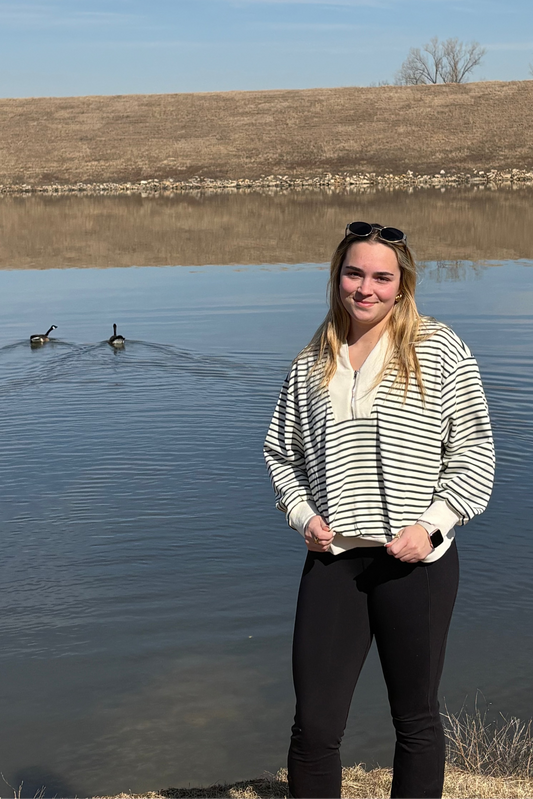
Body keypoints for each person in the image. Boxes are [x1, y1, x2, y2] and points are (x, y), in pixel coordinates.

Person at [263, 221, 495, 799]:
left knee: (415, 718)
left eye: (381, 277)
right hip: (334, 562)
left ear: (402, 284)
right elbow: (279, 452)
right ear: (336, 277)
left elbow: (475, 456)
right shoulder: (313, 358)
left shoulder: (439, 349)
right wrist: (302, 517)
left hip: (414, 565)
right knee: (314, 727)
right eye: (354, 273)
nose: (365, 288)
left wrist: (432, 527)